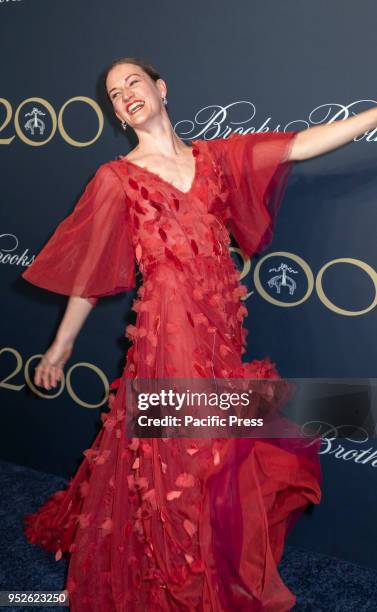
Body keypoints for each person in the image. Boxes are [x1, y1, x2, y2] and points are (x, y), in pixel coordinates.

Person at [21, 56, 377, 611]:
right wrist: (60, 347)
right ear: (117, 114)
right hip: (169, 331)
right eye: (115, 94)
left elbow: (300, 145)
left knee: (216, 445)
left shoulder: (216, 158)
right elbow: (89, 274)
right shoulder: (116, 179)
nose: (125, 95)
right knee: (188, 452)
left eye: (133, 82)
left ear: (161, 89)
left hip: (221, 330)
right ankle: (186, 577)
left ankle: (201, 556)